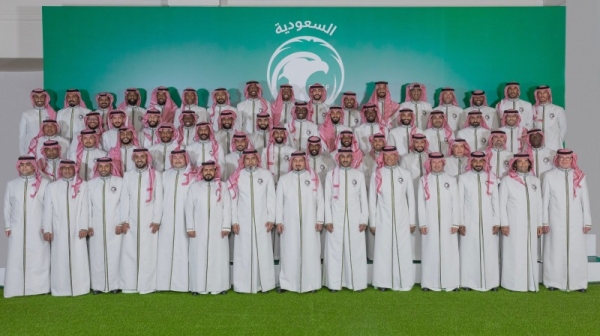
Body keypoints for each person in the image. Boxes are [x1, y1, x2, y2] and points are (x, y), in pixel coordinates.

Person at [542, 149, 591, 292]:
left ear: (572, 160)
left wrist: (587, 221)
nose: (564, 161)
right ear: (557, 159)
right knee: (554, 250)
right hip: (555, 220)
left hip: (576, 221)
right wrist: (544, 221)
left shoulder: (580, 176)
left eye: (567, 158)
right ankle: (553, 281)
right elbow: (545, 200)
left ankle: (579, 283)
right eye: (562, 158)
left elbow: (585, 200)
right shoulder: (549, 176)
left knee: (577, 251)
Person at [275, 151, 324, 293]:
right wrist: (279, 221)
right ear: (291, 162)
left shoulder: (313, 178)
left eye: (300, 161)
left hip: (311, 223)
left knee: (311, 252)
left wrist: (320, 219)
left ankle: (312, 284)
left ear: (305, 162)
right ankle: (287, 284)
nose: (297, 163)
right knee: (289, 252)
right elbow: (279, 202)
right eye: (295, 161)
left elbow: (320, 200)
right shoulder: (284, 179)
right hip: (289, 224)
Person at [228, 149, 276, 293]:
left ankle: (264, 285)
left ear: (257, 159)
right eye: (247, 159)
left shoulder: (266, 175)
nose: (250, 162)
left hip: (263, 222)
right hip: (243, 222)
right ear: (243, 161)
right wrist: (234, 221)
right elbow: (233, 200)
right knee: (243, 254)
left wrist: (271, 218)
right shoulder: (237, 176)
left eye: (252, 159)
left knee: (263, 252)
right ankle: (243, 286)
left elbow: (271, 198)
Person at [369, 146, 416, 291]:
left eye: (392, 156)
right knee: (383, 251)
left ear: (397, 157)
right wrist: (373, 221)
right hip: (383, 219)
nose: (389, 159)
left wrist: (412, 221)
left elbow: (411, 199)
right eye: (386, 156)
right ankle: (383, 283)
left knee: (403, 250)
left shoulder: (406, 174)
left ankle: (404, 282)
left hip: (402, 219)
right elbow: (372, 199)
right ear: (383, 158)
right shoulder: (376, 174)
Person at [3, 155, 50, 298]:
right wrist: (7, 226)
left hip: (37, 229)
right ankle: (15, 289)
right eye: (22, 165)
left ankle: (39, 288)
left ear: (34, 166)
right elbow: (7, 207)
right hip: (17, 229)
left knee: (39, 257)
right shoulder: (12, 184)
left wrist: (46, 226)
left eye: (28, 165)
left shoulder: (44, 184)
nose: (24, 167)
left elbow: (49, 207)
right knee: (16, 258)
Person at [323, 149, 368, 292]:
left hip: (355, 219)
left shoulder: (358, 175)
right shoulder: (331, 175)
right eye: (342, 156)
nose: (345, 159)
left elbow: (363, 200)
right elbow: (327, 199)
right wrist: (328, 220)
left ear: (352, 158)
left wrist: (364, 219)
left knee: (356, 252)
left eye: (348, 156)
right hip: (336, 219)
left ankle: (357, 284)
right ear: (338, 158)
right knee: (335, 251)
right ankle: (334, 284)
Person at [43, 159, 90, 296]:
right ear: (60, 170)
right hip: (59, 230)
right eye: (64, 168)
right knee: (59, 259)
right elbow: (48, 210)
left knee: (79, 258)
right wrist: (47, 229)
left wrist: (84, 226)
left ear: (75, 169)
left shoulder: (83, 185)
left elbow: (85, 207)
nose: (67, 170)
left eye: (70, 168)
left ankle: (81, 288)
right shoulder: (52, 187)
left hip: (77, 229)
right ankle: (60, 289)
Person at [119, 148, 163, 294]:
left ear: (147, 158)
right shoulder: (127, 175)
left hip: (149, 221)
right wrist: (123, 220)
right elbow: (124, 198)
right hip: (131, 221)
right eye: (136, 157)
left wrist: (156, 219)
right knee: (129, 253)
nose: (139, 159)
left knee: (148, 254)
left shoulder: (156, 175)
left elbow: (158, 199)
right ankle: (130, 285)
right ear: (133, 159)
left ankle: (148, 285)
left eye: (142, 157)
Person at [185, 161, 232, 295]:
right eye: (206, 170)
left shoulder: (222, 187)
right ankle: (197, 287)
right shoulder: (194, 187)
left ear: (215, 171)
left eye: (211, 170)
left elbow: (227, 207)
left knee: (218, 258)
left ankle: (219, 287)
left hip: (218, 230)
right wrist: (190, 227)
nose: (208, 172)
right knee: (198, 258)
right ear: (201, 172)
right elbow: (189, 208)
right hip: (198, 230)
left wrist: (226, 226)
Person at [499, 153, 543, 292]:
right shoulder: (507, 180)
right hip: (514, 225)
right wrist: (504, 224)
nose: (523, 164)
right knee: (514, 253)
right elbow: (502, 204)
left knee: (530, 252)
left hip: (531, 226)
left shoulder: (535, 181)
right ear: (514, 164)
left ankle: (531, 283)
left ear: (530, 164)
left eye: (526, 161)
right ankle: (513, 284)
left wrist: (539, 223)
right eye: (520, 162)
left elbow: (538, 204)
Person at [457, 151, 500, 292]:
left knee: (490, 252)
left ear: (485, 162)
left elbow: (496, 201)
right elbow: (460, 202)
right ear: (471, 162)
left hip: (489, 221)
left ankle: (491, 283)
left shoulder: (492, 177)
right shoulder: (463, 178)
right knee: (469, 251)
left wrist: (497, 221)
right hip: (469, 221)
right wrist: (461, 222)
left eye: (481, 161)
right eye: (475, 161)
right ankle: (468, 282)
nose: (478, 164)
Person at [417, 152, 460, 291]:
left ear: (443, 163)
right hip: (430, 223)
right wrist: (422, 223)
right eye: (433, 163)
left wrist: (455, 223)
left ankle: (451, 284)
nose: (436, 165)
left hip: (448, 224)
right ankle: (429, 283)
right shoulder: (423, 180)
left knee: (450, 252)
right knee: (430, 251)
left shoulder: (451, 180)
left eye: (439, 162)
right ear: (430, 164)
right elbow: (421, 203)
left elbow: (456, 203)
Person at [156, 150, 195, 292]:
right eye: (175, 158)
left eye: (180, 157)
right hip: (166, 219)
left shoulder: (193, 176)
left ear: (186, 159)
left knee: (183, 251)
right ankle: (163, 284)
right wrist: (158, 219)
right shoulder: (164, 175)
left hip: (185, 219)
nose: (178, 160)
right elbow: (159, 198)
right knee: (165, 251)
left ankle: (183, 285)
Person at [87, 157, 123, 294]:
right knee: (97, 256)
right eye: (100, 167)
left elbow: (122, 203)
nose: (103, 169)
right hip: (96, 226)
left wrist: (120, 222)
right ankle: (98, 285)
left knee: (115, 255)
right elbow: (87, 206)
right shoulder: (90, 184)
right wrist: (88, 224)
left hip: (115, 225)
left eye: (106, 167)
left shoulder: (119, 182)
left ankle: (115, 285)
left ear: (111, 167)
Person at [19, 88, 57, 155]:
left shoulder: (52, 113)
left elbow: (56, 134)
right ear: (33, 98)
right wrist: (23, 154)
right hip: (30, 151)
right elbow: (22, 136)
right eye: (37, 97)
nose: (39, 99)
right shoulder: (26, 114)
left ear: (46, 98)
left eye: (42, 97)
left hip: (47, 151)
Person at [532, 85, 566, 151]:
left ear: (548, 94)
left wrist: (557, 141)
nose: (542, 95)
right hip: (538, 147)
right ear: (537, 95)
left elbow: (563, 129)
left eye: (544, 92)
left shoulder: (558, 109)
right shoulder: (533, 109)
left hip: (554, 146)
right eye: (540, 93)